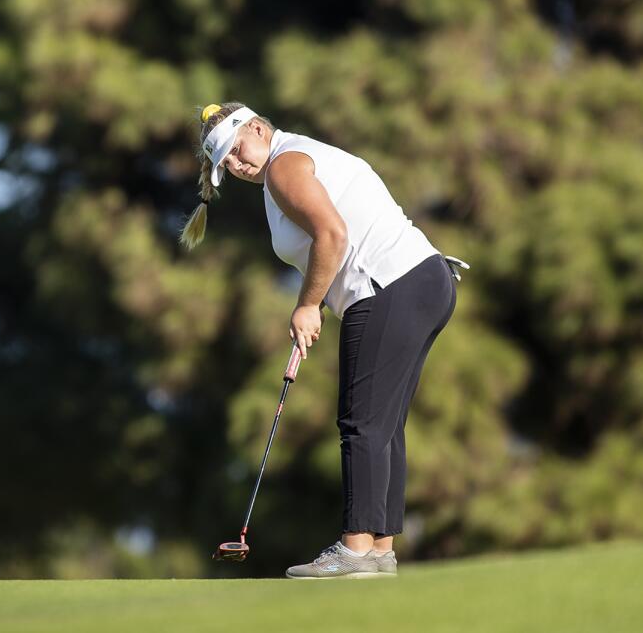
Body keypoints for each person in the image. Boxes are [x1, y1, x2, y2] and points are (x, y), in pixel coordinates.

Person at [181, 102, 466, 579]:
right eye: (224, 162)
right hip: (422, 281)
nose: (234, 163)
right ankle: (378, 551)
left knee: (362, 422)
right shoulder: (289, 162)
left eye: (236, 149)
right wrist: (316, 304)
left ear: (256, 127)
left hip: (391, 285)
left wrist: (308, 305)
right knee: (382, 424)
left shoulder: (283, 166)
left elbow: (332, 236)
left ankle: (355, 549)